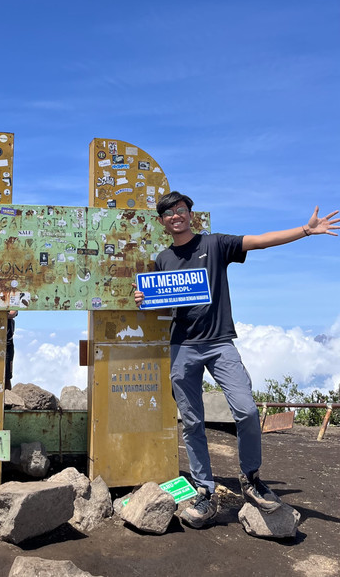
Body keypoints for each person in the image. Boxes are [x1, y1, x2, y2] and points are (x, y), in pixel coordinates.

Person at [134, 191, 339, 529]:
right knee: (192, 421)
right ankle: (204, 489)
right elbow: (168, 304)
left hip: (220, 343)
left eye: (182, 210)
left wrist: (305, 229)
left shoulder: (214, 245)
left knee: (246, 409)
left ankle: (251, 479)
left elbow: (259, 241)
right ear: (162, 222)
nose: (177, 216)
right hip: (183, 345)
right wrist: (147, 299)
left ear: (189, 214)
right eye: (169, 213)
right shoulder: (163, 259)